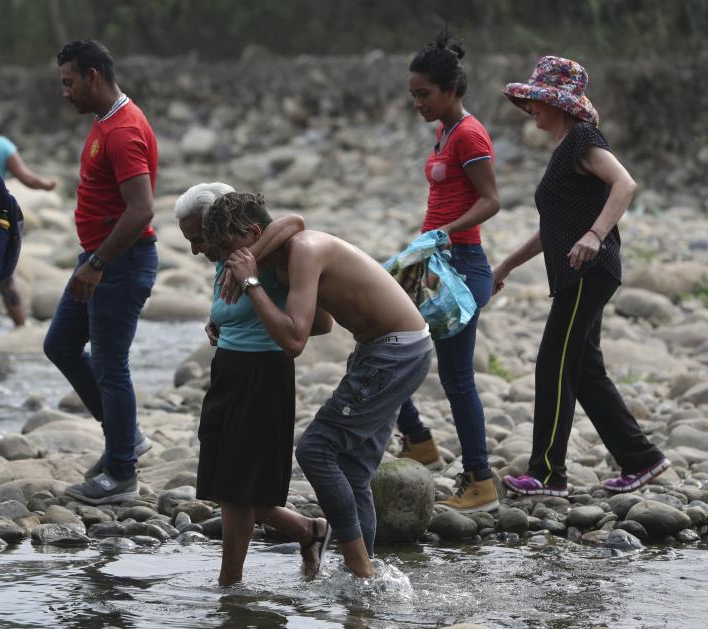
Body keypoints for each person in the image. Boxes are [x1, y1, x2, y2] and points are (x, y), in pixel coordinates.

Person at [206, 192, 432, 579]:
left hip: (396, 352)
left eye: (229, 248)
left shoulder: (303, 251)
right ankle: (361, 576)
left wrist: (250, 283)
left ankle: (361, 570)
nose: (226, 259)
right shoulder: (279, 256)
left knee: (316, 450)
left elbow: (294, 343)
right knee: (354, 470)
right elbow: (322, 323)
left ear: (254, 233)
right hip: (379, 350)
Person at [494, 56, 669, 497]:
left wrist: (595, 233)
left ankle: (548, 473)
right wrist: (507, 265)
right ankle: (642, 459)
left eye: (538, 99)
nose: (531, 107)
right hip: (582, 271)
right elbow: (552, 228)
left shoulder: (583, 140)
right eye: (530, 99)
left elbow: (625, 184)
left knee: (553, 364)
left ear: (562, 105)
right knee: (585, 371)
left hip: (588, 270)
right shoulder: (566, 149)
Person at [176, 182, 329, 584]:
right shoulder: (223, 263)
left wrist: (249, 265)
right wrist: (219, 323)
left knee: (238, 489)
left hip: (263, 377)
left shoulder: (263, 256)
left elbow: (293, 221)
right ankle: (307, 530)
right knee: (227, 484)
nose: (197, 248)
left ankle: (230, 584)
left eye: (201, 239)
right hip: (228, 372)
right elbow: (237, 307)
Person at [44, 40, 158, 505]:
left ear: (93, 76)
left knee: (112, 367)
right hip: (98, 258)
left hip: (118, 262)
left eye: (69, 83)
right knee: (60, 345)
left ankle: (121, 475)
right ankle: (125, 438)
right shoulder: (105, 121)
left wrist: (97, 263)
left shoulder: (123, 130)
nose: (65, 92)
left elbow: (141, 210)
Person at [395, 32, 501, 513]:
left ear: (450, 90)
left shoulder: (470, 135)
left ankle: (479, 480)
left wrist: (445, 231)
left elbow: (491, 200)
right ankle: (417, 440)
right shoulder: (444, 130)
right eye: (413, 94)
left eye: (424, 94)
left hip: (459, 268)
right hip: (433, 263)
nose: (416, 102)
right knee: (380, 342)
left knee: (457, 377)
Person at [0, 100, 58, 327]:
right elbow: (27, 177)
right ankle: (20, 325)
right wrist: (47, 185)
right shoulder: (4, 145)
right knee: (5, 278)